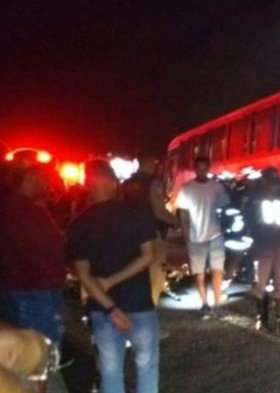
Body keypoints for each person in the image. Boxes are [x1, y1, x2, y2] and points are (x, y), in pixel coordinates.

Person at [67, 160, 159, 393]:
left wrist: (110, 306)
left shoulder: (79, 223)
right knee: (146, 367)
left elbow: (83, 274)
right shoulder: (138, 213)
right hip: (140, 305)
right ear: (111, 182)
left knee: (110, 372)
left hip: (102, 309)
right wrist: (112, 280)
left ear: (89, 183)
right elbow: (148, 256)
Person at [0, 165, 66, 345]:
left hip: (9, 291)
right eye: (45, 178)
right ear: (31, 179)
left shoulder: (6, 207)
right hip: (38, 294)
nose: (48, 184)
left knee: (20, 356)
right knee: (44, 354)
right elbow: (58, 248)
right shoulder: (31, 213)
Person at [176, 156, 230, 318]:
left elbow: (225, 210)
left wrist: (225, 230)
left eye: (203, 168)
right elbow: (184, 216)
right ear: (195, 169)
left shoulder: (217, 187)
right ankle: (204, 303)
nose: (201, 171)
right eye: (198, 168)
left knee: (217, 271)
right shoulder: (187, 189)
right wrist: (186, 236)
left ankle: (218, 304)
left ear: (208, 168)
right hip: (195, 237)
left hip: (216, 235)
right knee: (198, 274)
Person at [123, 153, 180, 307]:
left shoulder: (126, 184)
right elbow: (159, 212)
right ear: (150, 164)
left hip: (128, 236)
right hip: (151, 235)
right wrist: (177, 222)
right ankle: (148, 310)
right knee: (155, 277)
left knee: (133, 275)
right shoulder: (154, 184)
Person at [245, 167, 280, 333]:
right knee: (259, 281)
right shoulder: (254, 197)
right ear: (264, 182)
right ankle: (262, 318)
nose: (273, 187)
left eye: (275, 184)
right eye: (270, 183)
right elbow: (247, 217)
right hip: (261, 241)